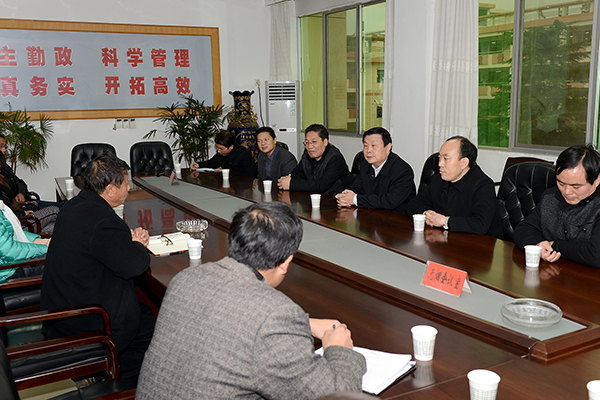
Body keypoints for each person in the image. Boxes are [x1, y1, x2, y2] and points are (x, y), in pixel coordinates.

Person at [136, 202, 366, 400]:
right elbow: (335, 395)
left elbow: (233, 315)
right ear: (286, 262)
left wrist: (304, 323)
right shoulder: (273, 316)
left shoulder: (186, 278)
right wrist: (338, 349)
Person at [40, 153, 154, 380]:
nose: (129, 188)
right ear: (110, 189)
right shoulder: (102, 220)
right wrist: (138, 244)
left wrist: (126, 242)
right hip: (87, 319)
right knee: (150, 327)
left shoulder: (74, 205)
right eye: (125, 183)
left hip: (61, 311)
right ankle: (117, 381)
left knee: (145, 312)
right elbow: (135, 266)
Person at [514, 144, 600, 268]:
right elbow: (523, 229)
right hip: (552, 273)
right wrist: (538, 244)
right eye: (561, 183)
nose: (567, 192)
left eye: (576, 186)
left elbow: (596, 255)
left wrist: (555, 246)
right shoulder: (550, 197)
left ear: (597, 179)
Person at [406, 136, 501, 238]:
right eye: (439, 158)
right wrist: (426, 214)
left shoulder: (483, 185)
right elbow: (413, 204)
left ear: (464, 163)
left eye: (446, 159)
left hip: (477, 243)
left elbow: (480, 224)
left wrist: (445, 221)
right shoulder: (439, 180)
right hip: (445, 240)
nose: (440, 164)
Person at [336, 127, 416, 213]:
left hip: (396, 217)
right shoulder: (365, 165)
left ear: (388, 147)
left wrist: (355, 199)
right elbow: (357, 188)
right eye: (365, 146)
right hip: (372, 214)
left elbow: (389, 201)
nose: (369, 150)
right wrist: (346, 196)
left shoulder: (403, 171)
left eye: (373, 146)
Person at [0, 136, 60, 233]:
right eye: (1, 146)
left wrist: (21, 193)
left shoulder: (4, 168)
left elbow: (19, 182)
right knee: (57, 210)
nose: (4, 150)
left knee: (56, 225)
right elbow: (5, 212)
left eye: (5, 147)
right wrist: (22, 213)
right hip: (18, 221)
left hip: (22, 206)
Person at [278, 124, 353, 195]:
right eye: (307, 142)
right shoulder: (308, 153)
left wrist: (292, 184)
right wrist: (288, 179)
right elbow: (298, 172)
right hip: (316, 197)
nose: (309, 146)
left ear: (325, 142)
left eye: (314, 142)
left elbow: (321, 185)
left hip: (336, 198)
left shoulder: (335, 159)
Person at [0, 199, 49, 282]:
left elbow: (14, 232)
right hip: (7, 272)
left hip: (10, 264)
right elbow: (9, 251)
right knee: (59, 256)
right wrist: (45, 248)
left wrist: (38, 241)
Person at [190, 130, 257, 178]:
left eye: (221, 149)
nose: (219, 151)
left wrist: (225, 172)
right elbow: (212, 163)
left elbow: (251, 175)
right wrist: (198, 165)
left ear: (231, 147)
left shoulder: (244, 154)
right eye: (217, 148)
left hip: (242, 187)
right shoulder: (221, 154)